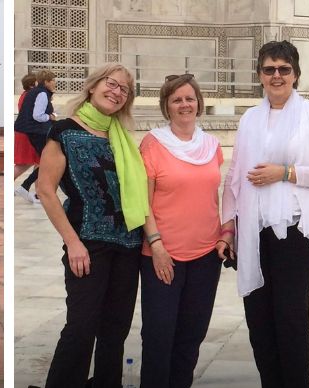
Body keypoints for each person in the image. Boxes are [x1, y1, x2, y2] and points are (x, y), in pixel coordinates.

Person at [221, 40, 309, 388]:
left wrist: (286, 172)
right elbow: (235, 178)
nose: (277, 75)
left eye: (284, 69)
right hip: (252, 233)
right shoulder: (250, 118)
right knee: (259, 321)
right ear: (260, 75)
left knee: (290, 319)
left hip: (292, 233)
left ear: (296, 74)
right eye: (269, 69)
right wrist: (227, 228)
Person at [36, 63, 148, 387]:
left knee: (115, 331)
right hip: (87, 244)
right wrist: (72, 243)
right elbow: (45, 190)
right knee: (81, 328)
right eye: (111, 84)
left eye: (123, 90)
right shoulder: (64, 131)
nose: (115, 92)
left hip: (127, 245)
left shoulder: (121, 137)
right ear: (93, 86)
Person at [138, 74, 224, 388]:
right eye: (177, 100)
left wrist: (224, 236)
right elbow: (142, 203)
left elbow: (212, 197)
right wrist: (156, 245)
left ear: (199, 103)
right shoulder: (152, 144)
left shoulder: (212, 146)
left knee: (191, 336)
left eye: (189, 98)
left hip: (205, 256)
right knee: (160, 336)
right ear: (167, 107)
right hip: (163, 256)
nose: (184, 104)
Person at [14, 69, 57, 204]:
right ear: (46, 82)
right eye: (53, 80)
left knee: (43, 162)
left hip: (31, 132)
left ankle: (29, 188)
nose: (55, 83)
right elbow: (37, 115)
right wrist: (50, 116)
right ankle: (26, 187)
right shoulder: (42, 94)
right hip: (37, 132)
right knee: (47, 162)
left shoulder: (32, 93)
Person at [14, 72, 41, 202]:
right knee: (25, 163)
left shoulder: (25, 95)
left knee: (38, 162)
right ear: (32, 84)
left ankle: (39, 193)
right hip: (28, 133)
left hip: (27, 131)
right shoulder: (31, 96)